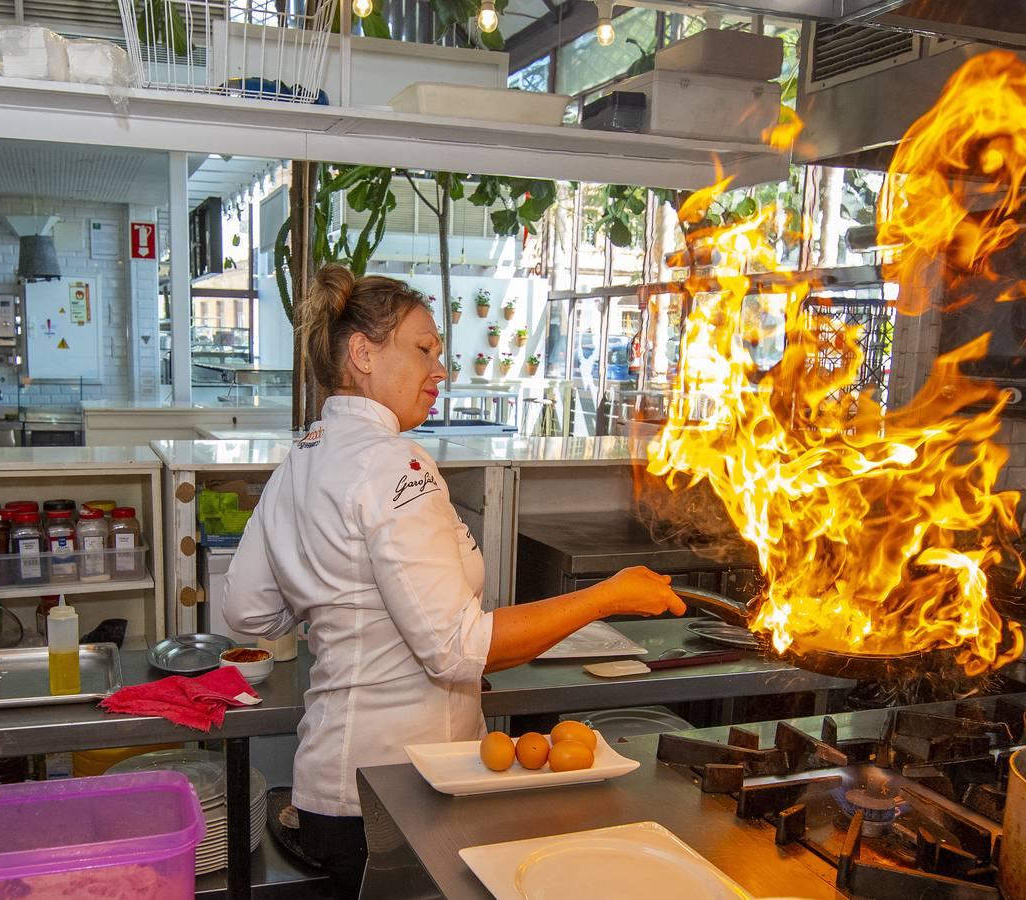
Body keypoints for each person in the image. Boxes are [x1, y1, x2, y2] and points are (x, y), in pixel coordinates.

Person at [224, 266, 685, 897]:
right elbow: (458, 648)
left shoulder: (301, 456)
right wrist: (608, 596)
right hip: (398, 791)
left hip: (328, 785)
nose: (441, 371)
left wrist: (341, 608)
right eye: (423, 351)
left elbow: (248, 614)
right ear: (362, 353)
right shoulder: (392, 464)